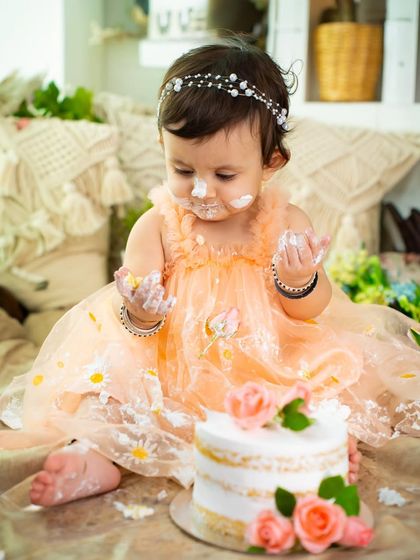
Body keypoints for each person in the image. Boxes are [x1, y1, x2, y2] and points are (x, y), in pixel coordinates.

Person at [1, 38, 419, 507]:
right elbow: (134, 321)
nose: (201, 190)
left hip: (264, 359)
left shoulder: (286, 223)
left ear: (270, 163)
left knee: (323, 388)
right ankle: (95, 458)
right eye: (182, 169)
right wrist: (140, 309)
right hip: (170, 359)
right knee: (110, 395)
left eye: (224, 176)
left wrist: (298, 280)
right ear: (163, 148)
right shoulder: (157, 226)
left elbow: (309, 313)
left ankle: (313, 449)